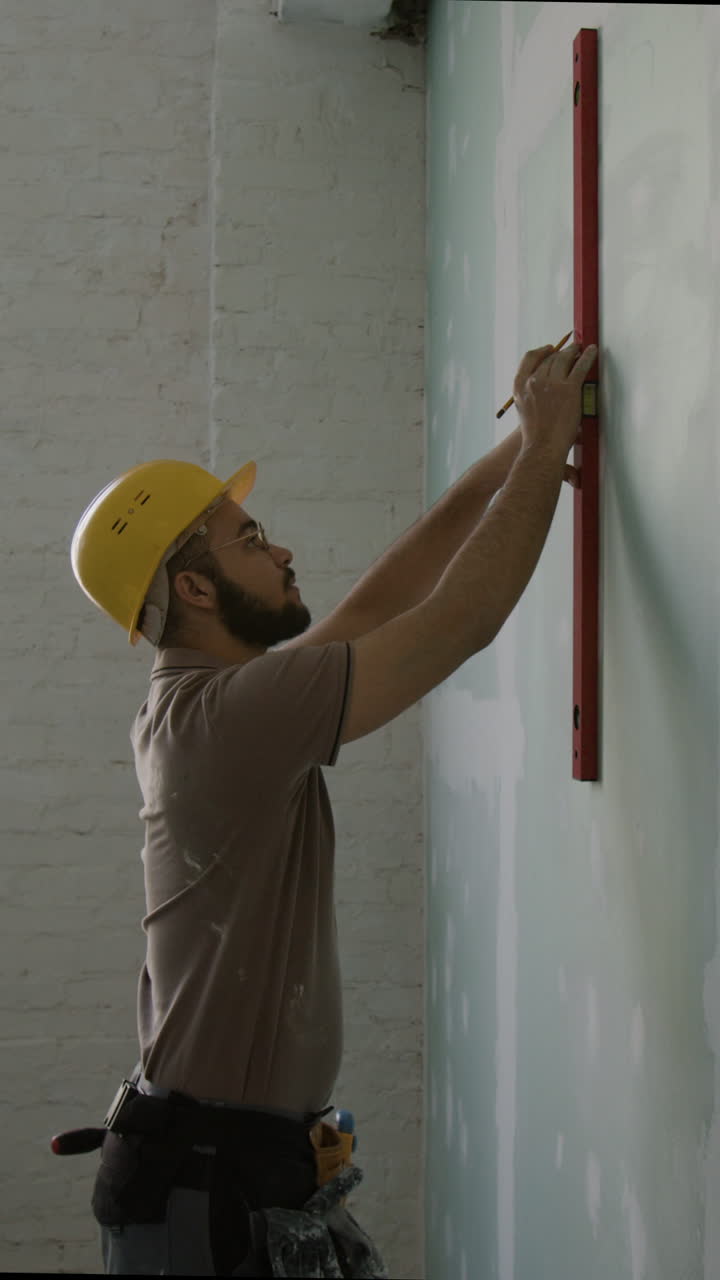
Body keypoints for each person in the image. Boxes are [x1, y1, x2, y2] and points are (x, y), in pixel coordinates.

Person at [58, 339, 597, 1275]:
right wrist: (549, 444)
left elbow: (390, 595)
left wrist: (518, 450)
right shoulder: (230, 720)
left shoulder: (216, 705)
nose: (281, 548)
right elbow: (458, 620)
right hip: (207, 1187)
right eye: (251, 541)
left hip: (222, 1169)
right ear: (193, 587)